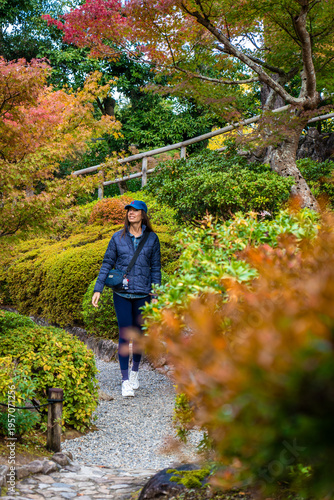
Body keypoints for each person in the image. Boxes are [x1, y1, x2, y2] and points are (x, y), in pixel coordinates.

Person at [92, 200, 161, 397]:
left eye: (135, 211)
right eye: (129, 211)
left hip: (143, 294)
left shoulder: (152, 239)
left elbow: (156, 268)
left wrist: (155, 295)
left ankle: (135, 373)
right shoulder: (117, 238)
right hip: (121, 293)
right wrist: (98, 288)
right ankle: (124, 381)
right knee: (124, 335)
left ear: (143, 214)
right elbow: (107, 263)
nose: (131, 213)